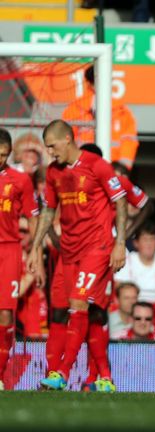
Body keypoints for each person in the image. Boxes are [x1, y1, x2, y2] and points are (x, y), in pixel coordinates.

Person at [30, 119, 128, 393]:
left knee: (78, 303)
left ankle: (61, 372)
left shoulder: (97, 165)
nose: (50, 152)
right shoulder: (53, 173)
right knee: (89, 312)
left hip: (97, 247)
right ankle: (105, 378)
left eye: (52, 146)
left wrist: (120, 243)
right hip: (69, 251)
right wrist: (37, 246)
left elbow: (120, 200)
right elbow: (49, 211)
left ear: (67, 140)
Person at [0, 128, 38, 390]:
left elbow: (34, 217)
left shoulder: (20, 180)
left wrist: (35, 251)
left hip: (9, 250)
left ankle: (1, 374)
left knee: (5, 314)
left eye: (3, 154)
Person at [61, 65, 139, 170]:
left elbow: (129, 142)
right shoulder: (74, 109)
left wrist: (121, 169)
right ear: (89, 83)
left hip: (112, 170)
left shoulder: (122, 111)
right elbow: (66, 142)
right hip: (82, 171)